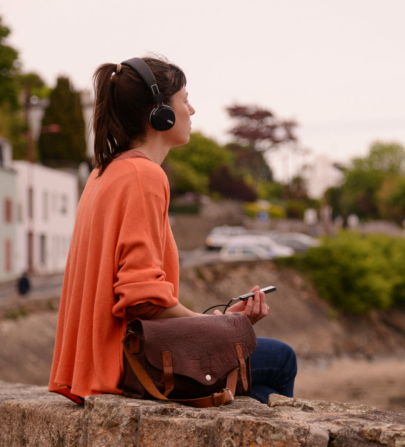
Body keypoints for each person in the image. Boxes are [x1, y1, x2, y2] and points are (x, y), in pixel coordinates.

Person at [47, 55, 296, 405]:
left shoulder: (103, 173)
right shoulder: (144, 175)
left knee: (256, 382)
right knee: (281, 360)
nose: (192, 110)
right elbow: (142, 298)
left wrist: (218, 321)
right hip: (126, 362)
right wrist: (220, 327)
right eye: (184, 100)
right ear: (159, 114)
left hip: (92, 363)